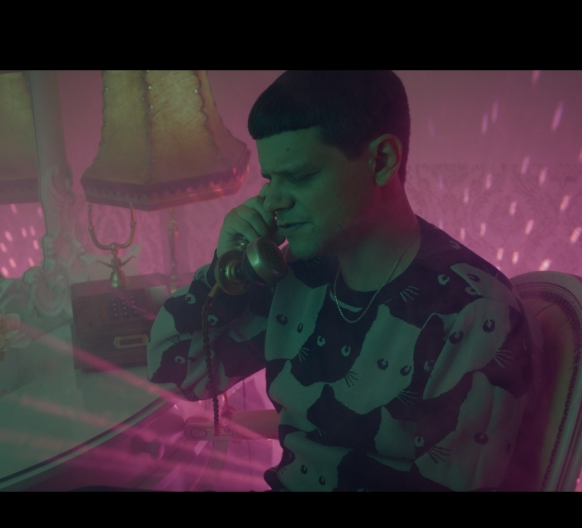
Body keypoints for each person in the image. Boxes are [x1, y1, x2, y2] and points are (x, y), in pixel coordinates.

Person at [146, 71, 539, 491]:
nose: (273, 202)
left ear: (382, 160)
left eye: (299, 177)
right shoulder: (298, 272)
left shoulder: (472, 312)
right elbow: (177, 374)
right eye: (270, 179)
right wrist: (228, 273)